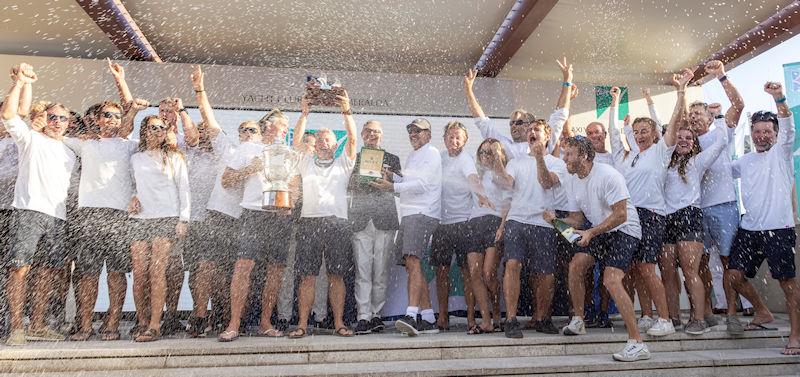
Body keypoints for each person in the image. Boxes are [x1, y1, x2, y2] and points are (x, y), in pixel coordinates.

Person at [548, 136, 648, 362]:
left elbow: (621, 214)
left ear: (584, 155)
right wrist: (555, 220)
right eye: (564, 154)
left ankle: (637, 342)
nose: (564, 159)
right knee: (576, 265)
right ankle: (579, 320)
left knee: (611, 280)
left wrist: (591, 232)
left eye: (569, 154)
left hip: (625, 229)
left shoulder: (608, 175)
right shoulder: (572, 180)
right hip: (600, 231)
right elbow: (576, 219)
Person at [67, 59, 142, 342]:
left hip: (120, 215)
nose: (112, 120)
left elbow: (131, 107)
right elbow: (53, 134)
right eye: (106, 115)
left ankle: (112, 323)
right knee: (87, 273)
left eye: (116, 116)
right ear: (96, 119)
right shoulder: (85, 142)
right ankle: (85, 324)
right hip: (89, 214)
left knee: (116, 273)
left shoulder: (130, 145)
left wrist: (120, 80)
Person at [2, 64, 77, 345]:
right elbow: (9, 114)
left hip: (57, 217)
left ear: (70, 123)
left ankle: (37, 324)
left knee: (45, 272)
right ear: (45, 119)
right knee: (20, 269)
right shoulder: (30, 139)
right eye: (53, 117)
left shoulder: (71, 151)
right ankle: (16, 328)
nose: (58, 122)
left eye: (63, 119)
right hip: (28, 211)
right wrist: (20, 83)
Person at [726, 82, 799, 356]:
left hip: (779, 229)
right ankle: (762, 311)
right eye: (756, 131)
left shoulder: (782, 153)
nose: (760, 135)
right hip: (750, 229)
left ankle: (795, 335)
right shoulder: (744, 161)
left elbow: (787, 122)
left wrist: (778, 97)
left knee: (787, 283)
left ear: (776, 134)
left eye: (767, 131)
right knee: (733, 276)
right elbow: (719, 169)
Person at [608, 78, 683, 336]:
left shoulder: (661, 151)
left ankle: (666, 320)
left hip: (652, 215)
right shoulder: (626, 157)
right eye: (636, 131)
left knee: (648, 267)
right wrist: (614, 103)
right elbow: (612, 133)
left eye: (644, 131)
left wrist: (680, 91)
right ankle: (648, 315)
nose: (639, 135)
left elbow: (673, 123)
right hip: (628, 217)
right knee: (636, 269)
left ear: (654, 134)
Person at [662, 72, 729, 335]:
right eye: (680, 137)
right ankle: (672, 319)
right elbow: (671, 126)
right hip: (666, 218)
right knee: (668, 273)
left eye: (689, 139)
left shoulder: (697, 163)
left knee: (691, 271)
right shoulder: (664, 163)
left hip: (689, 216)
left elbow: (722, 140)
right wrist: (681, 90)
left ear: (694, 144)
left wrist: (720, 117)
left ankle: (698, 319)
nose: (683, 141)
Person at [286, 92, 357, 338]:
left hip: (337, 223)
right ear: (314, 144)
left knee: (337, 276)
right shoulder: (305, 162)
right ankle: (303, 324)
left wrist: (346, 112)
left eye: (328, 140)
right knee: (308, 277)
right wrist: (304, 114)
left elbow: (353, 139)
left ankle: (338, 323)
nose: (323, 143)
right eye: (319, 140)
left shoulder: (343, 164)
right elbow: (295, 141)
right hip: (309, 222)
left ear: (335, 145)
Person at [217, 110, 291, 342]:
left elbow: (295, 185)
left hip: (279, 216)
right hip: (252, 213)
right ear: (266, 127)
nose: (280, 130)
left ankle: (266, 322)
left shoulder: (288, 153)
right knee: (243, 267)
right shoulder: (248, 148)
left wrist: (289, 205)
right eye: (277, 126)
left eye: (283, 127)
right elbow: (226, 181)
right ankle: (234, 324)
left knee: (275, 270)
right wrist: (251, 169)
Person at [687, 61, 752, 318]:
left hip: (724, 205)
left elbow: (739, 106)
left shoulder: (721, 132)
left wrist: (722, 77)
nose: (694, 119)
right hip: (697, 208)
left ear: (710, 117)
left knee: (729, 260)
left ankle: (744, 305)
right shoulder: (687, 143)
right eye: (690, 116)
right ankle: (721, 304)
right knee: (704, 262)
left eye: (698, 114)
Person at [183, 65, 241, 337]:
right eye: (202, 128)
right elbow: (204, 119)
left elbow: (209, 117)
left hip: (231, 219)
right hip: (205, 218)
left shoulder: (242, 152)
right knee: (202, 267)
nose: (206, 131)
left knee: (222, 271)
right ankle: (199, 314)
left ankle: (219, 313)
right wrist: (198, 90)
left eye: (255, 131)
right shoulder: (210, 151)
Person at [371, 118, 442, 337]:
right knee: (412, 265)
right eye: (411, 131)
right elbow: (409, 183)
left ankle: (411, 314)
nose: (414, 134)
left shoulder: (432, 153)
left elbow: (422, 185)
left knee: (413, 261)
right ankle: (429, 318)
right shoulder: (413, 156)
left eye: (418, 131)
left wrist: (392, 185)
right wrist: (392, 176)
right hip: (410, 214)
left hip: (422, 213)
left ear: (428, 134)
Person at [128, 115, 190, 342]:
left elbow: (184, 189)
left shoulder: (174, 157)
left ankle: (155, 325)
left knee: (157, 272)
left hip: (166, 217)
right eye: (152, 128)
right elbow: (133, 185)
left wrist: (184, 219)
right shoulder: (136, 158)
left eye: (161, 128)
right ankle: (142, 321)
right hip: (140, 218)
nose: (157, 131)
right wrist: (132, 196)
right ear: (144, 131)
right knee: (139, 273)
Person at [430, 121, 491, 333]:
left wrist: (482, 194)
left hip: (464, 223)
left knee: (468, 273)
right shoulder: (438, 157)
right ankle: (443, 316)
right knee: (441, 272)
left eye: (458, 137)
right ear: (445, 138)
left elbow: (473, 179)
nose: (454, 141)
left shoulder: (466, 160)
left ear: (464, 141)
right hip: (442, 224)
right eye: (450, 136)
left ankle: (471, 318)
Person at [348, 120, 402, 335]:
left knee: (380, 271)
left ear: (382, 135)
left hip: (384, 220)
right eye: (369, 131)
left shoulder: (392, 159)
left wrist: (389, 177)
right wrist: (360, 177)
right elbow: (347, 184)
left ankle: (377, 315)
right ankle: (363, 316)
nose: (373, 135)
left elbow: (400, 187)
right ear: (362, 134)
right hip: (361, 220)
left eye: (377, 132)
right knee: (363, 271)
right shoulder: (354, 156)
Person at [466, 138, 511, 331]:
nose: (485, 156)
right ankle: (486, 320)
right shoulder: (476, 173)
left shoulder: (503, 175)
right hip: (475, 223)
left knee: (488, 273)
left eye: (489, 153)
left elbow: (508, 203)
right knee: (475, 273)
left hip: (494, 223)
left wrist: (502, 226)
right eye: (482, 152)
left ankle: (496, 312)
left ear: (498, 155)